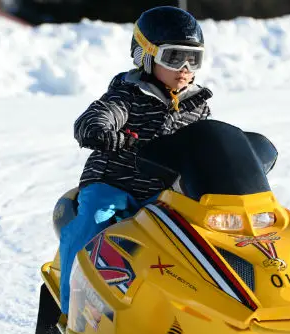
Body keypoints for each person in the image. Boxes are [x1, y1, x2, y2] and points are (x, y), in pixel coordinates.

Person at [58, 6, 213, 316]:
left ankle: (200, 309)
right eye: (174, 57)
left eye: (192, 58)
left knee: (201, 232)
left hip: (163, 192)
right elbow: (98, 115)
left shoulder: (198, 105)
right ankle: (72, 310)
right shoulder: (128, 94)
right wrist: (100, 131)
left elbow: (210, 141)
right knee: (95, 219)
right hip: (113, 183)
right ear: (146, 55)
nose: (184, 67)